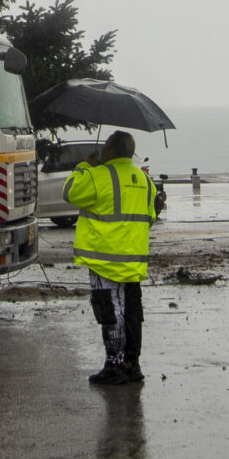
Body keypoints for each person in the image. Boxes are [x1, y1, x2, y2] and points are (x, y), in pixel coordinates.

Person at [64, 129, 164, 386]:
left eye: (106, 145)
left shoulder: (98, 175)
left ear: (112, 149)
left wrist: (84, 165)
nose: (103, 149)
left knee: (110, 311)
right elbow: (151, 216)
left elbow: (70, 192)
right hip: (133, 259)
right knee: (131, 310)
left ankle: (115, 364)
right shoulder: (144, 180)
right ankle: (132, 363)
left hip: (104, 258)